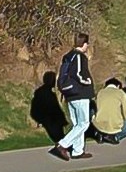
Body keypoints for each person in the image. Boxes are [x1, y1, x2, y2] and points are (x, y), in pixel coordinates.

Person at [55, 33, 96, 161]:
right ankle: (63, 145)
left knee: (77, 124)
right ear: (84, 44)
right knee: (84, 123)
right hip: (80, 93)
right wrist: (87, 81)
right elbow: (77, 74)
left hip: (70, 94)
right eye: (87, 44)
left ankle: (78, 151)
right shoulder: (79, 56)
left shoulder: (68, 56)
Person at [92, 78, 126, 145]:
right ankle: (114, 137)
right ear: (118, 86)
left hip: (99, 123)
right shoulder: (121, 93)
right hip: (114, 124)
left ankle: (101, 134)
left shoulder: (100, 92)